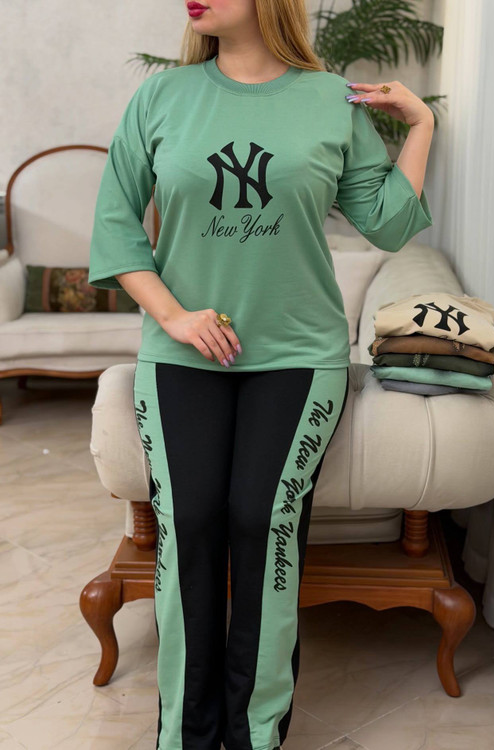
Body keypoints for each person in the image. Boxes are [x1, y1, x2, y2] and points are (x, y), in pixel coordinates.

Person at [88, 1, 434, 748]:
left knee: (263, 520)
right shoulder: (162, 97)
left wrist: (420, 127)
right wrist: (174, 316)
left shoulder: (329, 100)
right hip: (182, 354)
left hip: (299, 355)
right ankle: (185, 733)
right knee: (190, 526)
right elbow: (114, 225)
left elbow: (387, 223)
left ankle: (256, 731)